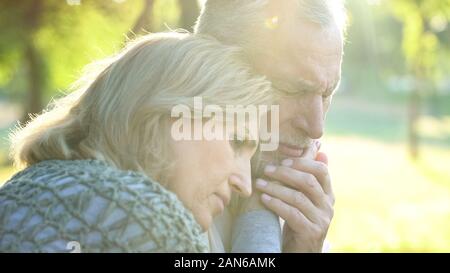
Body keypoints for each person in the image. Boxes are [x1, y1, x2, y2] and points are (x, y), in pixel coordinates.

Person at [0, 33, 273, 252]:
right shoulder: (141, 216)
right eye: (236, 140)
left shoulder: (24, 188)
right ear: (167, 115)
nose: (245, 186)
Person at [195, 0, 347, 252]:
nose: (316, 128)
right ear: (212, 68)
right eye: (292, 89)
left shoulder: (295, 214)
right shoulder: (152, 212)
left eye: (327, 94)